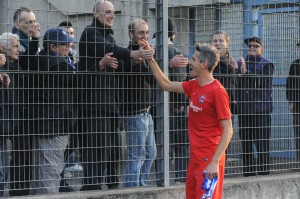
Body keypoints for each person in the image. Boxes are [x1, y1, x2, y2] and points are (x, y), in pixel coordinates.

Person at [140, 39, 233, 199]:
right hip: (195, 158)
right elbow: (165, 84)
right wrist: (150, 58)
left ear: (204, 65)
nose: (189, 62)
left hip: (209, 159)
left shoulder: (217, 91)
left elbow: (228, 129)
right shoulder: (194, 85)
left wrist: (214, 162)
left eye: (194, 59)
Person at [78, 0, 154, 191]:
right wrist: (134, 52)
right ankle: (92, 191)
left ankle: (116, 191)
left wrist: (137, 60)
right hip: (94, 108)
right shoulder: (90, 33)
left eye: (113, 12)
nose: (111, 16)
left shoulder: (108, 36)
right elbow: (111, 52)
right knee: (96, 156)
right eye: (107, 12)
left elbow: (119, 65)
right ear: (96, 14)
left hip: (111, 107)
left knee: (113, 154)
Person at [30, 27, 77, 194]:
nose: (68, 48)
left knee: (41, 172)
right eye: (64, 45)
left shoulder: (39, 59)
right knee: (51, 172)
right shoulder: (57, 64)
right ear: (53, 47)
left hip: (45, 125)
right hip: (55, 126)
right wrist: (99, 65)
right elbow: (80, 81)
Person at [149, 18, 190, 185]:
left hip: (156, 107)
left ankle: (161, 180)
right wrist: (182, 104)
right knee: (180, 145)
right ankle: (181, 179)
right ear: (173, 34)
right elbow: (183, 82)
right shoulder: (178, 54)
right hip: (176, 107)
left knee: (162, 146)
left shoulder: (151, 51)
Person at [119, 19, 157, 187]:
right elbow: (122, 72)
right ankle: (131, 190)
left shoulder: (146, 54)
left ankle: (140, 186)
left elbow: (152, 80)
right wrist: (137, 59)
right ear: (131, 34)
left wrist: (150, 60)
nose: (145, 36)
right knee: (137, 154)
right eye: (141, 33)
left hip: (146, 112)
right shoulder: (126, 54)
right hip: (133, 113)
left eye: (147, 32)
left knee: (151, 153)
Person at [9, 7, 40, 196]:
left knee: (25, 155)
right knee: (20, 155)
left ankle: (21, 190)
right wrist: (36, 40)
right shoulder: (14, 41)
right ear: (16, 24)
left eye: (33, 21)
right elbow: (28, 62)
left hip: (24, 106)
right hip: (18, 107)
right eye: (27, 22)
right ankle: (17, 191)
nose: (32, 25)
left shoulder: (26, 41)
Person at [237, 37, 274, 176]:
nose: (252, 48)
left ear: (261, 49)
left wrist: (245, 73)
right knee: (246, 143)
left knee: (262, 143)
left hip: (261, 111)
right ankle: (248, 173)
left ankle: (264, 172)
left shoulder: (267, 64)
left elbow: (261, 83)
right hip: (245, 110)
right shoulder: (240, 63)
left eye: (255, 46)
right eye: (250, 46)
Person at [211, 30, 237, 159]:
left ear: (227, 42)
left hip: (227, 109)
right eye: (215, 41)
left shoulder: (233, 63)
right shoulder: (208, 62)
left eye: (221, 40)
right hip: (210, 109)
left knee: (224, 143)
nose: (218, 43)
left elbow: (235, 87)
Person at [0, 32, 20, 197]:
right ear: (2, 48)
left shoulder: (12, 66)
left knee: (4, 170)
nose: (18, 49)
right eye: (14, 46)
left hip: (6, 123)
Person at [286, 41, 300, 160]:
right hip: (298, 104)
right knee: (298, 133)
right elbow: (289, 84)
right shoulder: (295, 64)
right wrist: (291, 101)